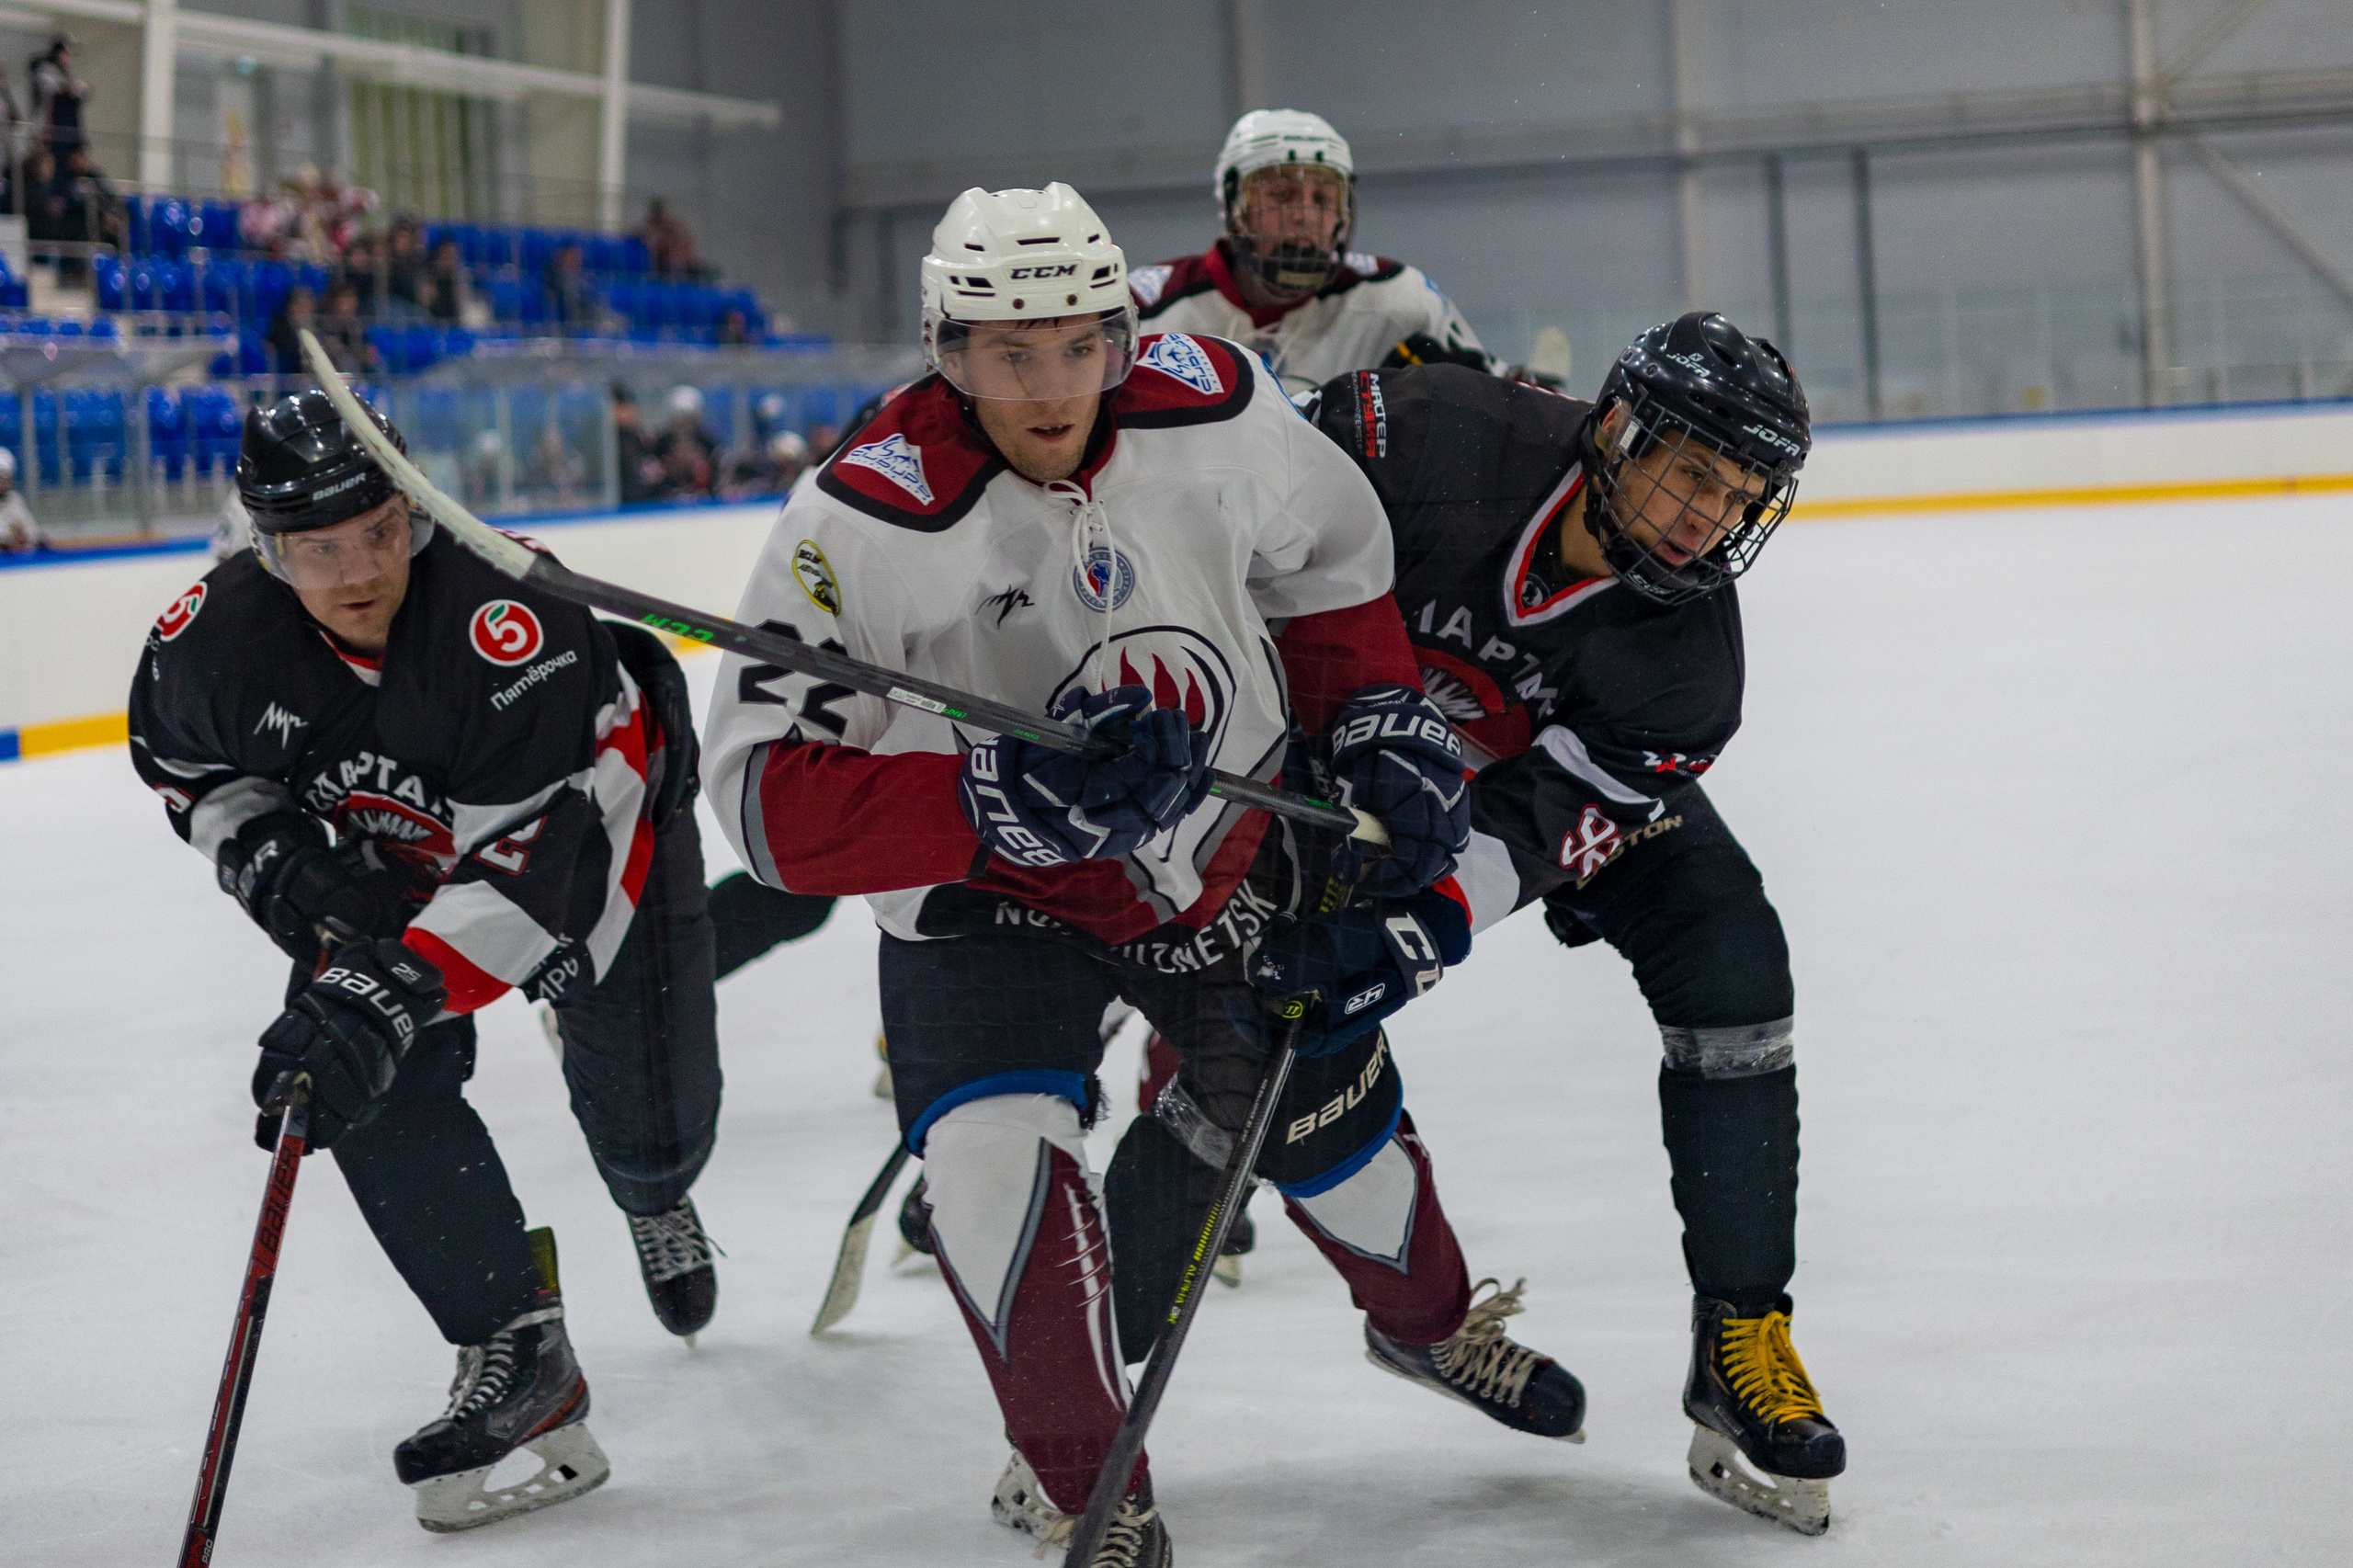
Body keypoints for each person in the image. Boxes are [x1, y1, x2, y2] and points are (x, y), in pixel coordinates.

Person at [701, 182, 1580, 1566]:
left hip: (1223, 853)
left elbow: (1329, 562)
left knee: (1336, 1144)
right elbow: (765, 799)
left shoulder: (1216, 404)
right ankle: (1085, 1479)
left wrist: (1370, 713)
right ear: (946, 348)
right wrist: (987, 800)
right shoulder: (860, 517)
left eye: (1081, 345)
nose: (1053, 388)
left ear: (1122, 331)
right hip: (990, 902)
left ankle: (1426, 1327)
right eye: (1010, 353)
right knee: (990, 1168)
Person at [1253, 312, 1839, 1534]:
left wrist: (1426, 923)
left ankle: (1742, 1330)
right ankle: (1084, 1375)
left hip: (1502, 785)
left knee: (1729, 950)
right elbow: (1237, 534)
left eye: (1738, 498)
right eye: (1693, 474)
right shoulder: (1429, 432)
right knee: (1239, 1042)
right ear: (1617, 428)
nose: (1707, 518)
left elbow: (1549, 822)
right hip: (1318, 759)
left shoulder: (1690, 668)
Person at [125, 391, 725, 1531]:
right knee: (345, 1070)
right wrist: (285, 866)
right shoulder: (214, 638)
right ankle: (518, 1345)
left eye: (381, 531)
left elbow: (546, 864)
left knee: (653, 1117)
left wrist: (394, 986)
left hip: (602, 852)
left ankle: (655, 1191)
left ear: (417, 509)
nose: (360, 571)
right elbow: (186, 764)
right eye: (319, 548)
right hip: (392, 863)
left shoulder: (514, 613)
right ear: (266, 545)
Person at [1127, 110, 1495, 398]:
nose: (1304, 216)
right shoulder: (1146, 311)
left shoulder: (1399, 301)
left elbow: (1500, 404)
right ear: (1234, 207)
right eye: (1281, 195)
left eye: (1322, 198)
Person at [28, 33, 85, 164]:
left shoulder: (65, 73)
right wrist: (67, 87)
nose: (70, 58)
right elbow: (52, 86)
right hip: (49, 132)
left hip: (66, 135)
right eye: (68, 53)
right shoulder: (44, 69)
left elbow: (78, 92)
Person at [653, 385, 716, 499]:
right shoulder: (662, 443)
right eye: (681, 417)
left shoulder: (706, 442)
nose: (684, 424)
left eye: (688, 418)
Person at [0, 448, 37, 551]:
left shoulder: (15, 500)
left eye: (6, 477)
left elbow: (33, 531)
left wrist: (26, 537)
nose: (3, 481)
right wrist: (7, 541)